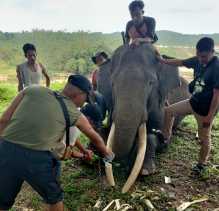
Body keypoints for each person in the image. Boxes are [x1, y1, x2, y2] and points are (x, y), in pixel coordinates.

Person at [0, 74, 114, 211]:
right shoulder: (74, 112)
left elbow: (4, 120)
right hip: (37, 159)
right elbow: (94, 137)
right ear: (79, 94)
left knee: (3, 199)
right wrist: (108, 154)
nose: (84, 104)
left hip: (5, 149)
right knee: (54, 198)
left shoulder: (32, 89)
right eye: (85, 99)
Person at [158, 37, 219, 174]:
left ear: (212, 52)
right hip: (192, 102)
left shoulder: (216, 68)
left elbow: (217, 96)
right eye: (198, 55)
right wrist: (162, 60)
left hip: (205, 110)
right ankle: (165, 138)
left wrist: (209, 117)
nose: (201, 59)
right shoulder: (198, 59)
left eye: (204, 56)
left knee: (204, 139)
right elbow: (180, 62)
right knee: (168, 111)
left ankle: (201, 165)